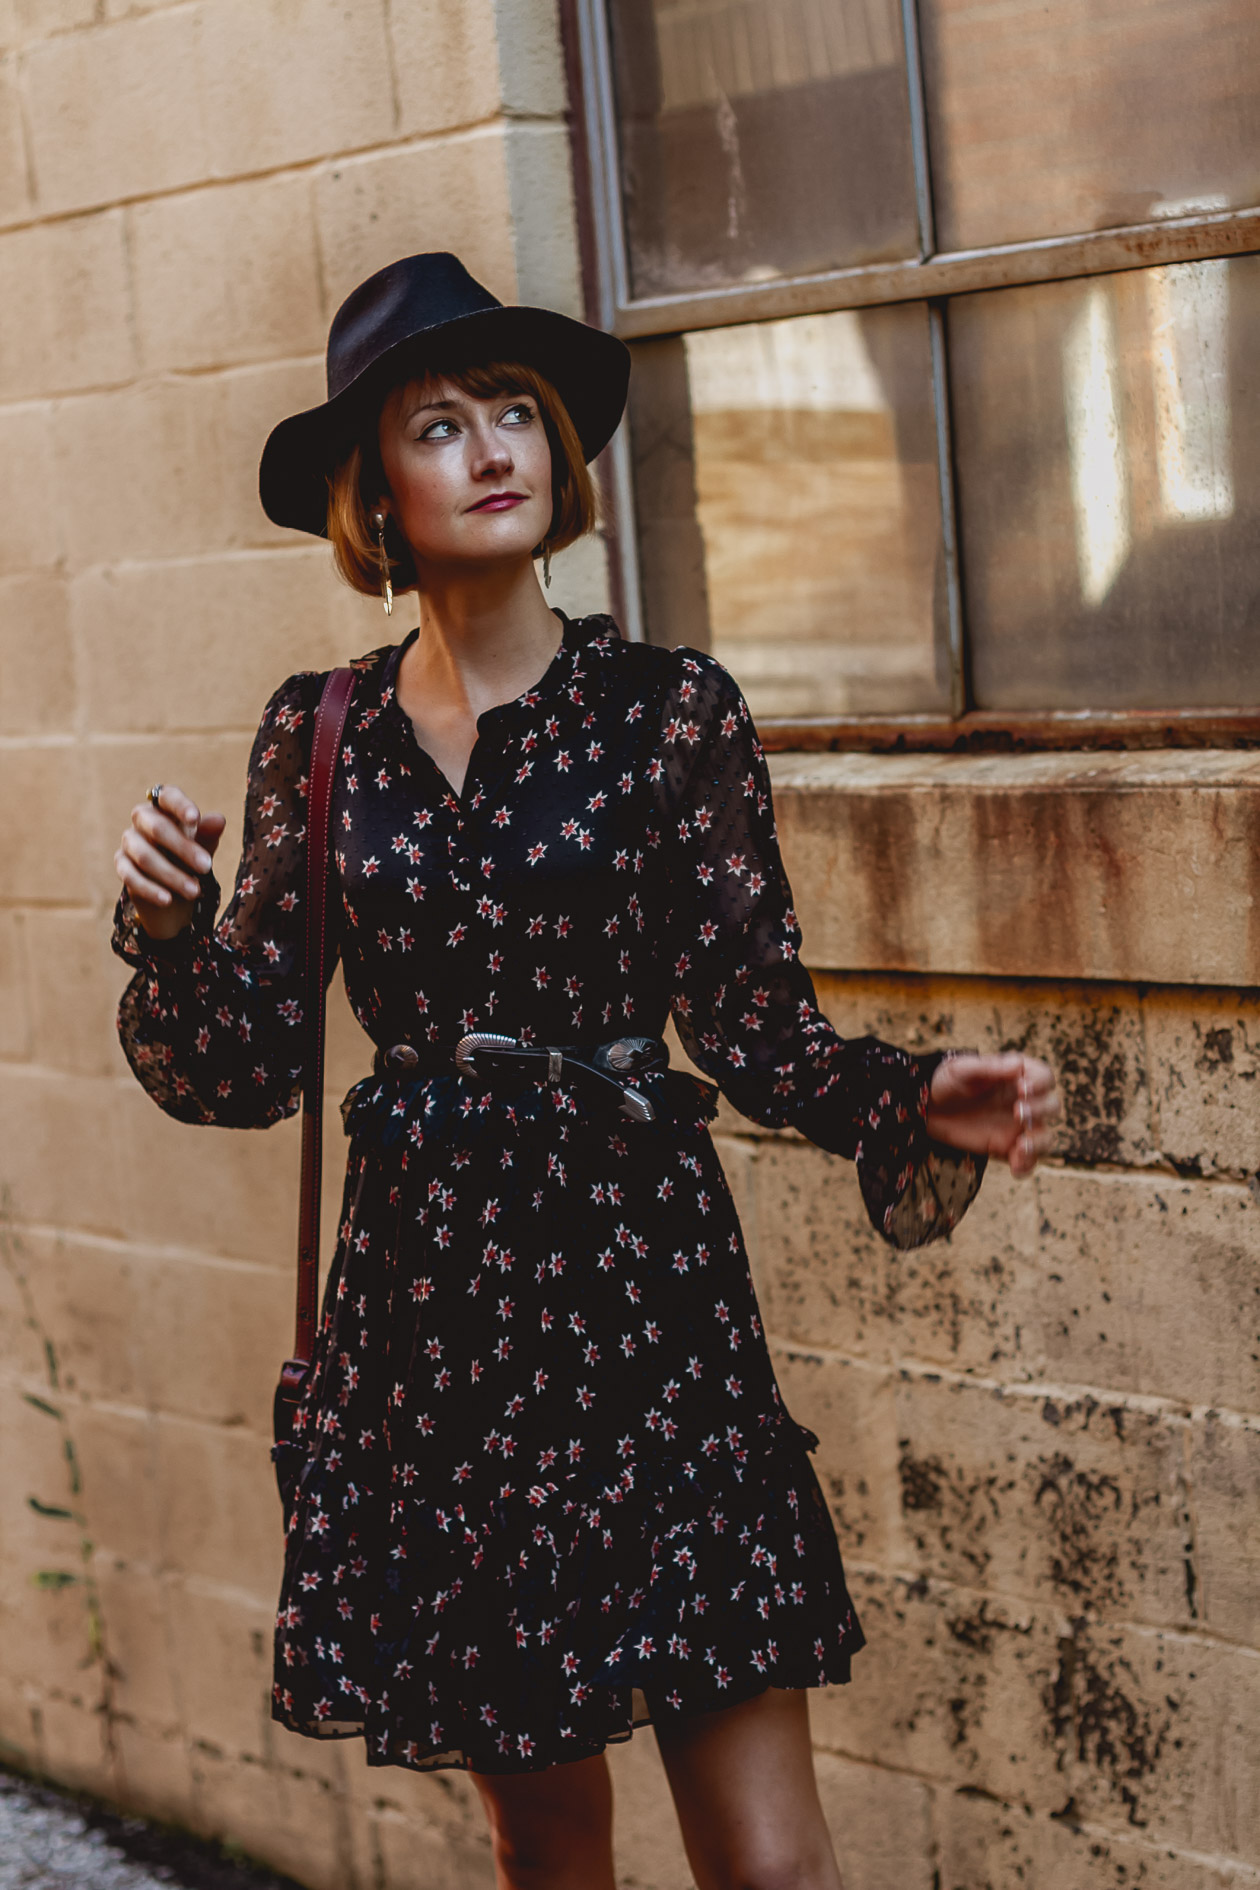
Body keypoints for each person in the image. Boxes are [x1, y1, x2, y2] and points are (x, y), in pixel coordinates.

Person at [111, 253, 1059, 1890]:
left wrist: (904, 1097)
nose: (493, 449)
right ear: (376, 492)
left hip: (649, 1313)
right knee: (549, 1849)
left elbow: (752, 1017)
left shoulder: (668, 714)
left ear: (557, 451)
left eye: (514, 413)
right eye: (438, 425)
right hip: (438, 1335)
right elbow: (247, 1063)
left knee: (768, 1861)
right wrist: (170, 930)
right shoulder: (317, 736)